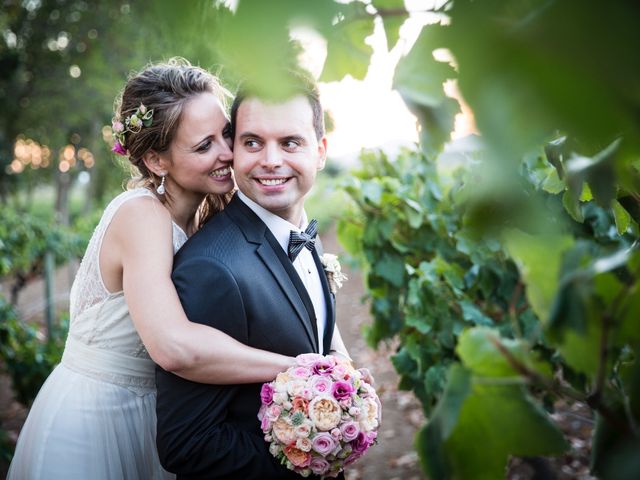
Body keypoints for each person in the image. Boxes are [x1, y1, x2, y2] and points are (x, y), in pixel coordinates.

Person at [7, 59, 298, 480]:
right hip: (97, 418)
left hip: (152, 414)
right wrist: (294, 367)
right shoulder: (142, 216)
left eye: (227, 135)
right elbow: (173, 348)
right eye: (204, 146)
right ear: (157, 161)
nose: (227, 154)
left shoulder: (199, 218)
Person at [155, 70, 349, 479]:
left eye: (290, 142)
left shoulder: (302, 233)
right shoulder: (212, 269)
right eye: (253, 142)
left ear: (321, 151)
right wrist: (309, 459)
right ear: (234, 150)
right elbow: (187, 446)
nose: (271, 160)